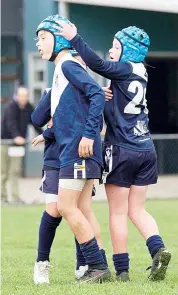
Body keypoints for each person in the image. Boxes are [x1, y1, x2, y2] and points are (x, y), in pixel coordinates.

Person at [56, 23, 171, 281]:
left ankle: (122, 271)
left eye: (115, 46)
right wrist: (109, 98)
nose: (110, 50)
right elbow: (120, 105)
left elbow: (98, 64)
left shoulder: (124, 68)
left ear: (127, 51)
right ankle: (158, 248)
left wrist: (75, 38)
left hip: (122, 149)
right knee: (137, 210)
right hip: (146, 148)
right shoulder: (141, 71)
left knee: (117, 212)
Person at [35, 15, 110, 283]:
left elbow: (97, 94)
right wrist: (47, 134)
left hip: (79, 150)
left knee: (66, 207)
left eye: (43, 37)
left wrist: (89, 135)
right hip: (71, 150)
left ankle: (98, 267)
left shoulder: (67, 65)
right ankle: (98, 268)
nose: (38, 44)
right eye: (37, 39)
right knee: (78, 208)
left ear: (59, 39)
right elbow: (68, 113)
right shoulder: (59, 71)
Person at [31, 84, 108, 284]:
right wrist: (52, 97)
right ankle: (41, 263)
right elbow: (37, 118)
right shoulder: (52, 92)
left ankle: (84, 265)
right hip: (54, 160)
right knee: (54, 210)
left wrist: (51, 130)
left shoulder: (89, 93)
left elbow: (96, 125)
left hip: (80, 157)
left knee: (80, 210)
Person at [1, 87, 42, 204]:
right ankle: (2, 198)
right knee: (3, 172)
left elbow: (35, 122)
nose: (23, 98)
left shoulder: (28, 108)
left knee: (14, 171)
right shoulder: (10, 107)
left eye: (25, 96)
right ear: (17, 96)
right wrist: (16, 136)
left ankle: (15, 198)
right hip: (5, 142)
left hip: (17, 146)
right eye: (21, 96)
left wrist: (44, 135)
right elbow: (10, 124)